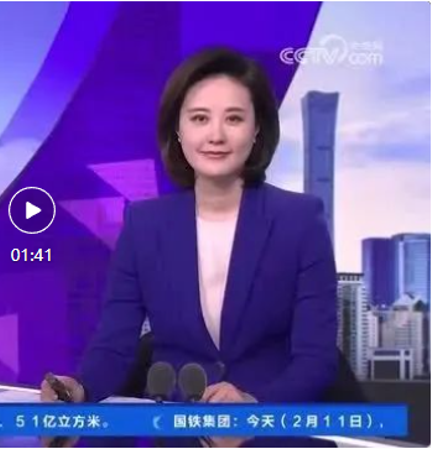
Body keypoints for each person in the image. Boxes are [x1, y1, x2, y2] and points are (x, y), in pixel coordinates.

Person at [40, 47, 338, 447]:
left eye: (234, 118)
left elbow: (317, 359)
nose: (216, 135)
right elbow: (115, 343)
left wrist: (255, 409)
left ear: (257, 130)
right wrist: (79, 388)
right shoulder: (144, 225)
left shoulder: (300, 219)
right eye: (199, 118)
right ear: (178, 131)